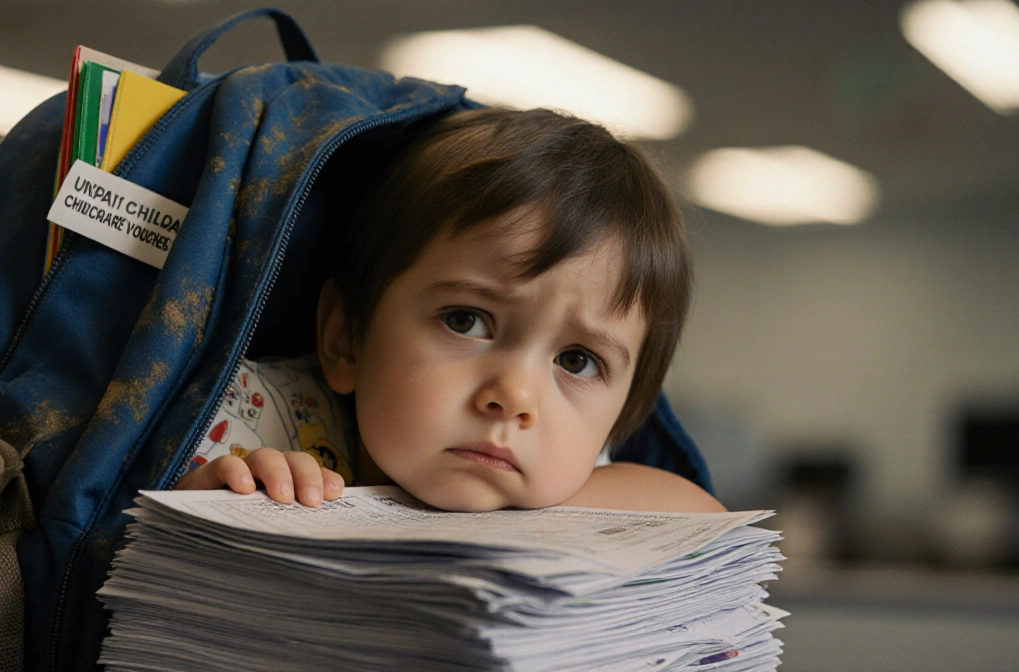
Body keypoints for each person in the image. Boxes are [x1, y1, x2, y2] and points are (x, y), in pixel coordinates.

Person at [175, 107, 724, 514]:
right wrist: (217, 500)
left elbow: (704, 517)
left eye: (577, 361)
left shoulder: (560, 469)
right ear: (346, 336)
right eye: (466, 320)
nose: (514, 397)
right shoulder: (247, 417)